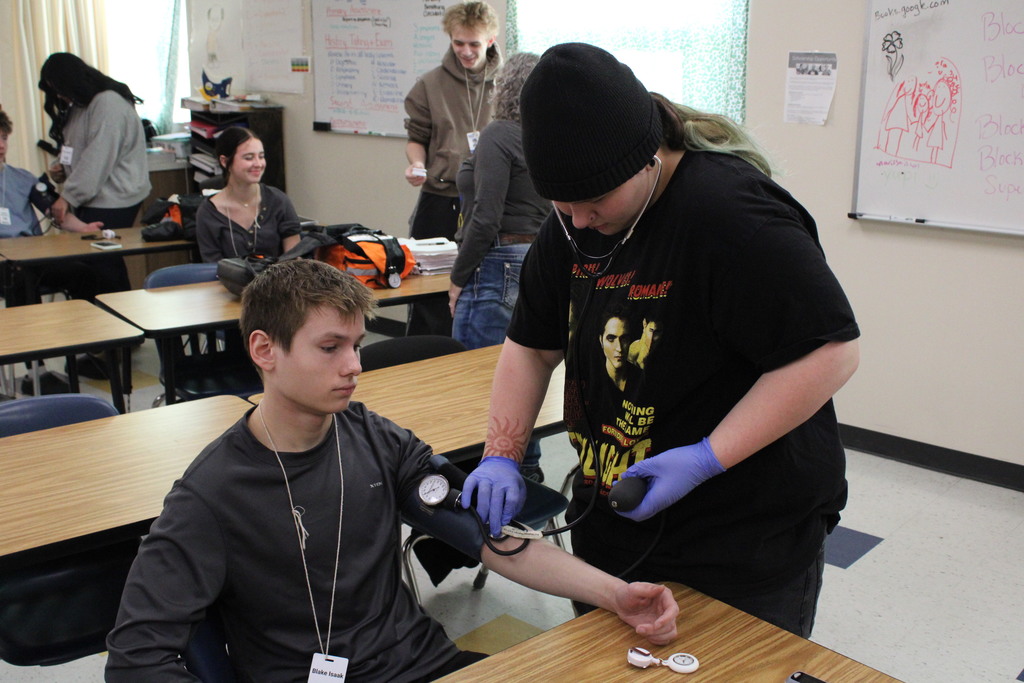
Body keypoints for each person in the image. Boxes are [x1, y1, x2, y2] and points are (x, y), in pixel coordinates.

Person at [105, 258, 678, 682]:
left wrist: (616, 594)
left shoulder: (374, 437)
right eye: (330, 348)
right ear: (264, 350)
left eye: (356, 345)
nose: (354, 366)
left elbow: (492, 539)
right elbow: (136, 657)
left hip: (422, 665)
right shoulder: (210, 495)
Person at [461, 43, 861, 639]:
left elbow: (830, 352)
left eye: (593, 203)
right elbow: (532, 348)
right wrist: (501, 452)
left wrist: (707, 457)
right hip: (613, 527)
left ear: (645, 161)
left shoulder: (731, 214)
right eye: (562, 205)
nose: (578, 221)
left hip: (740, 541)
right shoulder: (573, 224)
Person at [451, 52, 548, 481]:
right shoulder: (545, 139)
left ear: (504, 89)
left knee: (479, 382)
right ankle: (528, 472)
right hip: (533, 261)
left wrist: (458, 278)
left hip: (496, 263)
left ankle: (487, 481)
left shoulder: (499, 134)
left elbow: (485, 217)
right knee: (524, 376)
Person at [403, 0, 501, 335]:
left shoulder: (506, 83)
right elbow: (417, 137)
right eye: (458, 43)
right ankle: (426, 352)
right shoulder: (430, 84)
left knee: (482, 287)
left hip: (487, 201)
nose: (466, 51)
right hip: (440, 197)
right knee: (428, 292)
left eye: (474, 44)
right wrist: (417, 163)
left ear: (490, 40)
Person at [0, 105, 108, 395]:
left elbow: (56, 213)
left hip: (32, 258)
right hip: (6, 267)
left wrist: (84, 228)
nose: (1, 145)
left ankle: (85, 351)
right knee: (20, 279)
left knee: (82, 273)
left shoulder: (23, 178)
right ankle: (34, 371)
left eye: (4, 138)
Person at [38, 52, 151, 295]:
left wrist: (67, 197)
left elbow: (97, 159)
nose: (58, 95)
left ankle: (118, 315)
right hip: (92, 195)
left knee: (102, 263)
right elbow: (77, 148)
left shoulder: (108, 103)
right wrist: (62, 168)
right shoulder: (80, 105)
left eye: (58, 88)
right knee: (94, 263)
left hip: (114, 198)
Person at [195, 127, 301, 262]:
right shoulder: (208, 213)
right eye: (249, 158)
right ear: (224, 161)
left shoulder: (278, 201)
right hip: (226, 276)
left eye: (261, 156)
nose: (258, 164)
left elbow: (294, 260)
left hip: (278, 275)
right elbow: (212, 267)